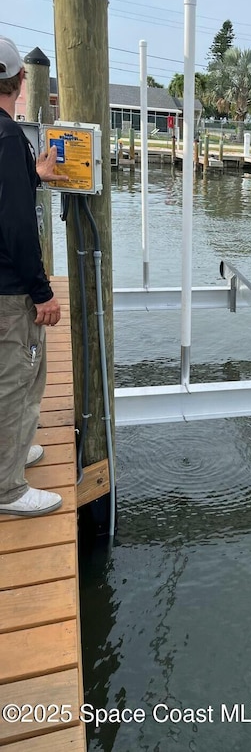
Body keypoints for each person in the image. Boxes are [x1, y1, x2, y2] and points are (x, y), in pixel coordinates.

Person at [0, 36, 68, 517]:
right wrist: (42, 293)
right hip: (10, 290)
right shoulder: (7, 139)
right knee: (18, 380)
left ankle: (15, 450)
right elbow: (18, 226)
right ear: (21, 81)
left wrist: (34, 174)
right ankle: (7, 488)